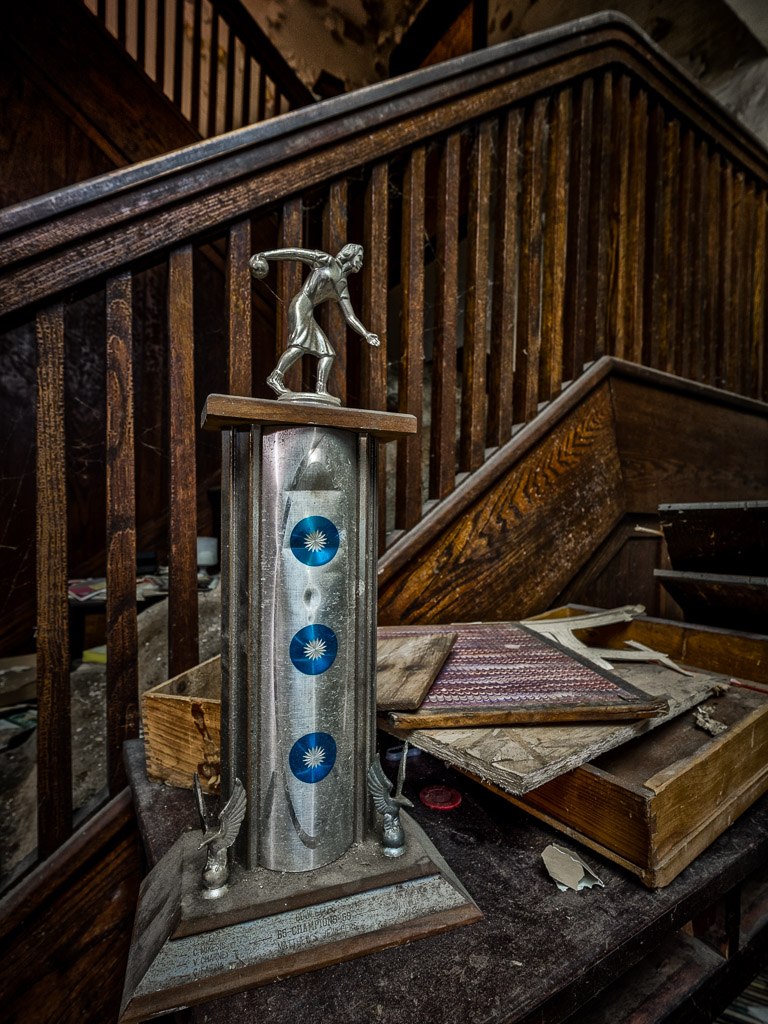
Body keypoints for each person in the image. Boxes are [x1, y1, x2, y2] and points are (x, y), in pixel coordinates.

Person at [249, 243, 380, 400]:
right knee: (298, 346)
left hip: (308, 311)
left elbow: (350, 316)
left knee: (328, 354)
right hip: (300, 305)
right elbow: (296, 253)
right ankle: (275, 377)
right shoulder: (327, 261)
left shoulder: (342, 286)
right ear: (350, 255)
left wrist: (366, 334)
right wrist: (266, 255)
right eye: (359, 258)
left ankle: (321, 390)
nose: (361, 262)